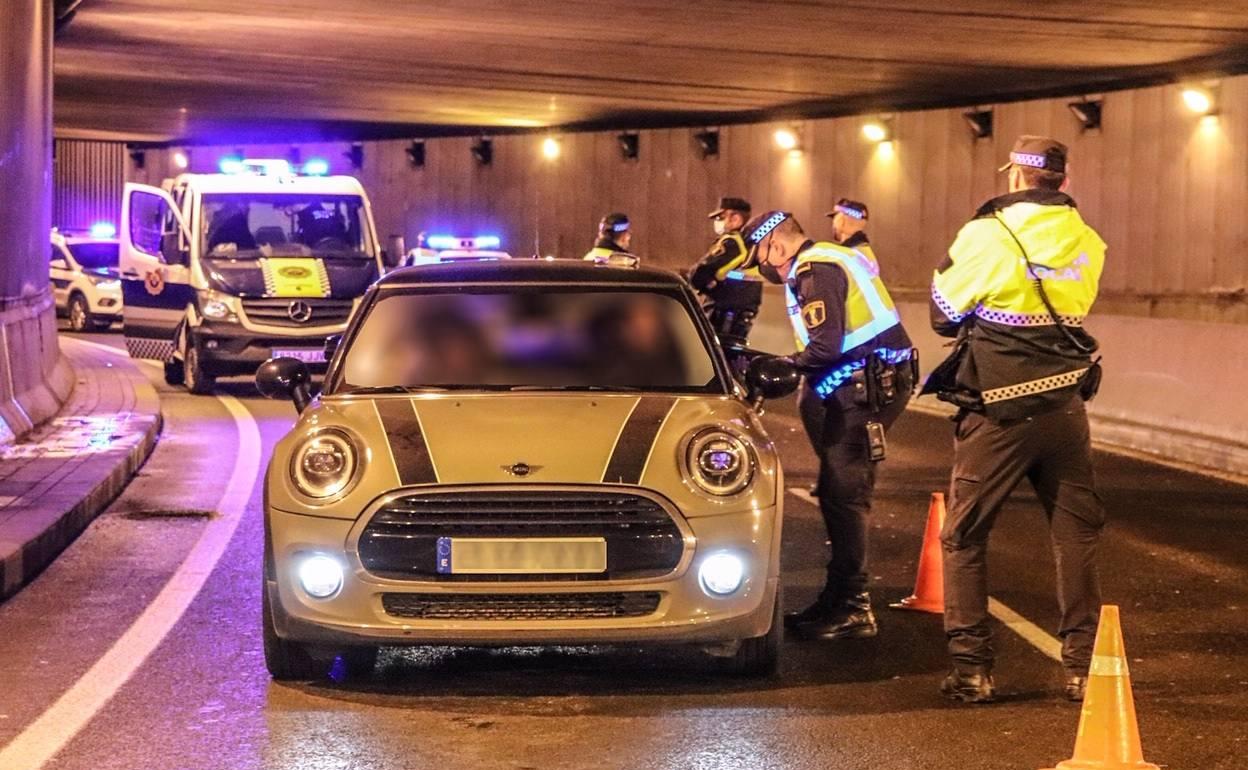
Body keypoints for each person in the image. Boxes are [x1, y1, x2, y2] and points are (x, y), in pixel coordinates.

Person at [925, 135, 1107, 704]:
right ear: (1063, 181)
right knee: (1075, 533)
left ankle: (972, 670)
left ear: (1014, 177)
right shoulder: (1088, 240)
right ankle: (1082, 668)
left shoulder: (985, 234)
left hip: (998, 412)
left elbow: (944, 315)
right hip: (1065, 408)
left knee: (963, 537)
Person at [742, 210, 914, 641]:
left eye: (764, 261)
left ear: (776, 246)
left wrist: (783, 365)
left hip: (867, 386)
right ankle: (837, 600)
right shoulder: (832, 256)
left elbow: (824, 344)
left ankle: (853, 608)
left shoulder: (813, 269)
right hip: (868, 379)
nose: (767, 271)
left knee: (844, 494)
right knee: (839, 490)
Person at [799, 199, 875, 492]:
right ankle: (834, 473)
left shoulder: (851, 255)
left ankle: (837, 474)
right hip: (846, 349)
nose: (833, 223)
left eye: (836, 217)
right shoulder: (859, 253)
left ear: (845, 219)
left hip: (846, 350)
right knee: (824, 409)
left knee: (813, 404)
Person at [688, 197, 762, 347]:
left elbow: (700, 272)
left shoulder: (731, 242)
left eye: (721, 217)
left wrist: (701, 282)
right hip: (740, 311)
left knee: (713, 353)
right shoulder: (751, 245)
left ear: (736, 219)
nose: (718, 222)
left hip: (723, 312)